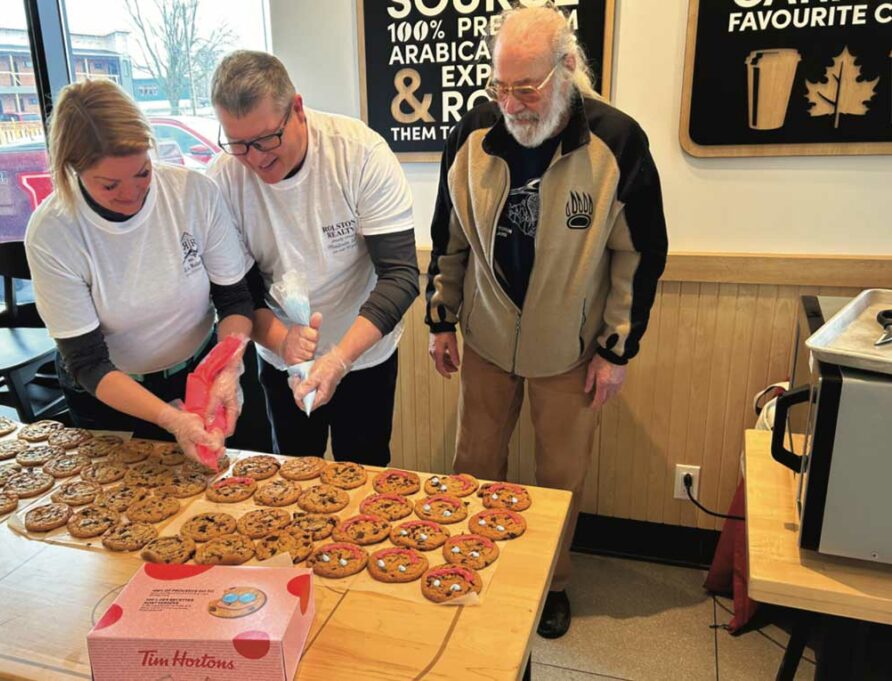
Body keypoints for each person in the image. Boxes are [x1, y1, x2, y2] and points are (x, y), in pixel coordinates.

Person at [425, 6, 668, 638]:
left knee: (559, 476)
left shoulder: (618, 141)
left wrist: (616, 350)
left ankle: (551, 583)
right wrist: (440, 319)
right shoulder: (474, 132)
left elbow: (637, 256)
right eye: (499, 86)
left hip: (569, 346)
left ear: (566, 68)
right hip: (483, 335)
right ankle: (470, 563)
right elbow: (447, 235)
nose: (511, 103)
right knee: (473, 460)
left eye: (525, 88)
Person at [25, 78, 255, 461]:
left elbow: (234, 299)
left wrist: (228, 367)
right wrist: (171, 419)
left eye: (142, 173)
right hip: (110, 395)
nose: (131, 193)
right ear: (72, 169)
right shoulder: (54, 231)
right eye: (110, 184)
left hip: (202, 371)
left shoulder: (192, 194)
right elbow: (88, 362)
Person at [207, 50, 419, 466]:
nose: (255, 159)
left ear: (297, 110)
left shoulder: (358, 154)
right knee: (292, 467)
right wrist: (280, 342)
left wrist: (339, 359)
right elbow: (238, 293)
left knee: (364, 467)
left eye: (267, 139)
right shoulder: (222, 181)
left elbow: (401, 276)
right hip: (282, 356)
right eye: (238, 144)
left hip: (362, 351)